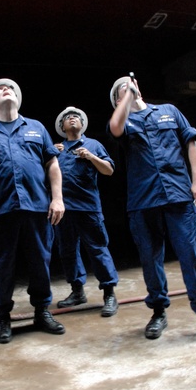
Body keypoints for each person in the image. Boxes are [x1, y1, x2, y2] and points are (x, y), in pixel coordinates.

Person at [108, 74, 196, 347]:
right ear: (117, 100)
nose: (128, 87)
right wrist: (125, 99)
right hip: (143, 201)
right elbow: (115, 127)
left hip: (178, 195)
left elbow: (191, 142)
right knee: (150, 258)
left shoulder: (168, 111)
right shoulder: (123, 120)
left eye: (130, 84)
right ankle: (158, 312)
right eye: (121, 89)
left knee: (190, 255)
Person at [0, 78, 66, 344]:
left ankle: (42, 312)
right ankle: (1, 317)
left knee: (40, 262)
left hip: (36, 208)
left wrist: (57, 199)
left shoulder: (35, 128)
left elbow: (52, 165)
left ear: (18, 100)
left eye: (10, 88)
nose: (5, 89)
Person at [53, 106, 119, 316]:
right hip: (63, 210)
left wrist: (91, 156)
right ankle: (77, 291)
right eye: (67, 118)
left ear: (82, 124)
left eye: (76, 117)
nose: (72, 118)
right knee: (68, 251)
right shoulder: (57, 149)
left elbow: (108, 170)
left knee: (98, 249)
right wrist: (50, 153)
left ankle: (109, 293)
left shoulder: (93, 145)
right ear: (62, 127)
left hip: (88, 208)